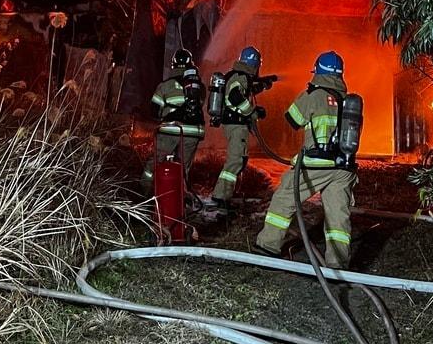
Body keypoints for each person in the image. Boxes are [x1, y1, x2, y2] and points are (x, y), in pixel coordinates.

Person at [253, 50, 356, 269]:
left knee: (284, 197)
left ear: (318, 71)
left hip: (315, 164)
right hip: (344, 168)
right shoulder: (348, 100)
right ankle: (337, 263)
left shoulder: (313, 95)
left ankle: (267, 245)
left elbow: (293, 119)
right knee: (338, 215)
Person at [203, 46, 267, 212]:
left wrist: (264, 85)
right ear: (255, 64)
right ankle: (220, 197)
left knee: (239, 160)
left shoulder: (237, 75)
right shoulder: (241, 76)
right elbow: (235, 96)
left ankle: (226, 194)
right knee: (235, 161)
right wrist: (252, 112)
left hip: (234, 124)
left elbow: (243, 90)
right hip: (236, 125)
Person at [142, 49, 205, 191]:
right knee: (183, 168)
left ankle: (144, 192)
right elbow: (200, 104)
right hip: (193, 132)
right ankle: (180, 199)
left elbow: (154, 111)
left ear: (173, 65)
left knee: (155, 163)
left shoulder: (165, 86)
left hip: (169, 130)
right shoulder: (199, 87)